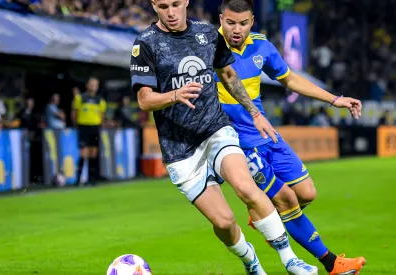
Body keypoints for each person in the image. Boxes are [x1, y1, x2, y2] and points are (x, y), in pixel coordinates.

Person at [129, 0, 316, 274]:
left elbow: (228, 75)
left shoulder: (206, 34)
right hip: (180, 149)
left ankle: (290, 259)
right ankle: (251, 262)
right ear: (154, 4)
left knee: (246, 187)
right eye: (164, 6)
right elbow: (144, 100)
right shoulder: (145, 44)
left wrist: (254, 112)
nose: (171, 12)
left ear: (186, 2)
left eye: (176, 4)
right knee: (225, 222)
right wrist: (173, 95)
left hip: (216, 130)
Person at [216, 0, 367, 274]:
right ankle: (332, 263)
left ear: (252, 21)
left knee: (307, 192)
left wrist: (335, 99)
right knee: (286, 198)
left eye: (243, 23)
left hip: (266, 133)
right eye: (230, 22)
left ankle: (264, 215)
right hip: (237, 143)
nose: (236, 29)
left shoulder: (262, 45)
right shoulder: (209, 47)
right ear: (221, 19)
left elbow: (290, 80)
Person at [72, 77, 106, 186]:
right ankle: (78, 180)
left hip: (95, 128)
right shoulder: (80, 98)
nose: (93, 87)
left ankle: (92, 180)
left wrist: (100, 125)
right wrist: (76, 125)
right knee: (83, 153)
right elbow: (74, 113)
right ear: (87, 85)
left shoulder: (100, 101)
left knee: (93, 154)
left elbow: (102, 116)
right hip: (84, 127)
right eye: (91, 85)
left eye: (95, 85)